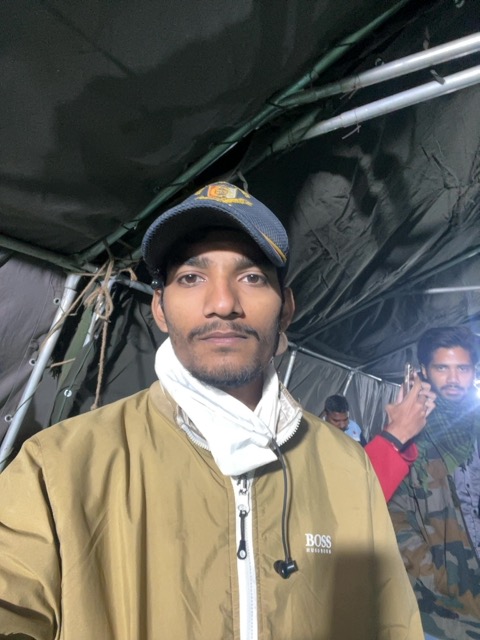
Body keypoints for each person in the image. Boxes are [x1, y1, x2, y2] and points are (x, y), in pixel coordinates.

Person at [0, 182, 424, 639]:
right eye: (191, 278)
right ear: (159, 308)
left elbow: (391, 623)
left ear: (285, 309)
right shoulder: (58, 466)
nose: (223, 304)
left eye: (252, 277)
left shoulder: (347, 467)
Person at [388, 326, 480, 640]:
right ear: (425, 371)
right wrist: (438, 577)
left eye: (462, 368)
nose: (454, 379)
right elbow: (394, 516)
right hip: (442, 610)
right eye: (442, 368)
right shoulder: (408, 431)